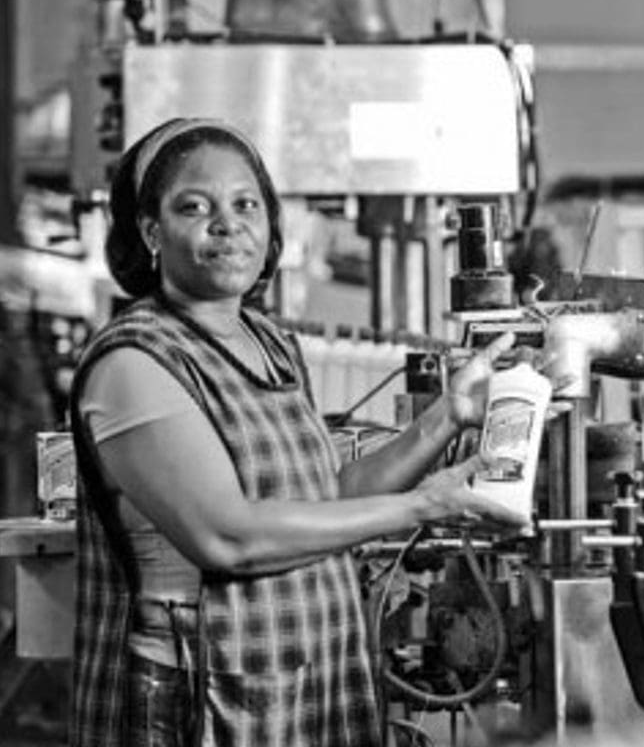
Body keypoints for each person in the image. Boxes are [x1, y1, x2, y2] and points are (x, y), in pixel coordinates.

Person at [68, 117, 527, 747]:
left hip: (307, 677)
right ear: (151, 231)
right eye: (194, 207)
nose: (227, 225)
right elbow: (226, 537)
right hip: (199, 696)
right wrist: (422, 506)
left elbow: (325, 497)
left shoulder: (269, 343)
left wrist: (447, 416)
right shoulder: (135, 361)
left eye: (246, 205)